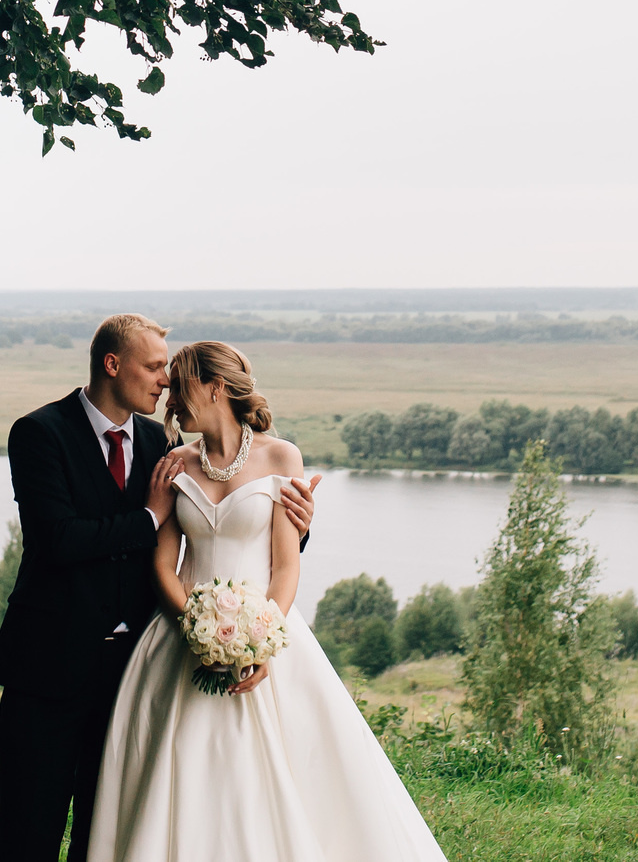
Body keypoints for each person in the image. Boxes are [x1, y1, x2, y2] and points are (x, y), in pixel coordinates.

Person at [83, 341, 450, 862]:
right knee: (181, 767)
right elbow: (162, 565)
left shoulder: (281, 456)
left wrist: (260, 640)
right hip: (177, 633)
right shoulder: (173, 464)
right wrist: (195, 625)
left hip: (268, 630)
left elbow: (286, 566)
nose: (169, 398)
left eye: (180, 385)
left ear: (215, 388)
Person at [0, 315, 319, 862]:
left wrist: (299, 528)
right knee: (29, 831)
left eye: (168, 368)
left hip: (133, 672)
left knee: (111, 830)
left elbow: (240, 519)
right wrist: (147, 519)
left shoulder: (158, 442)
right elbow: (56, 540)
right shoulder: (39, 432)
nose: (165, 381)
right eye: (154, 366)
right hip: (50, 667)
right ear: (111, 365)